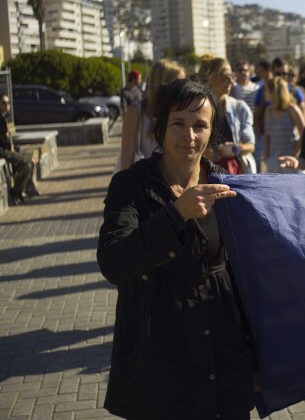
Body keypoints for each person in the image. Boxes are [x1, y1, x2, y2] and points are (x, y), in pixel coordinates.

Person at [98, 79, 255, 419]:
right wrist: (175, 214)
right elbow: (114, 261)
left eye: (200, 126)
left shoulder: (224, 185)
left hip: (223, 362)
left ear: (211, 132)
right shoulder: (131, 185)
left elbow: (248, 271)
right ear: (160, 128)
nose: (190, 135)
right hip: (160, 366)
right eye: (179, 124)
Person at [117, 59, 185, 172]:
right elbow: (126, 159)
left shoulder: (182, 111)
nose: (184, 90)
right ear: (163, 83)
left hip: (175, 182)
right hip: (144, 184)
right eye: (179, 84)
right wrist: (128, 188)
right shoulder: (136, 111)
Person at [198, 57, 256, 174]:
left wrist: (235, 148)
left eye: (232, 76)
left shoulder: (240, 108)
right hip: (206, 175)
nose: (231, 81)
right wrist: (218, 151)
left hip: (236, 173)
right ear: (211, 78)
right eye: (225, 77)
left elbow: (250, 145)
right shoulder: (198, 109)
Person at [0, 93, 39, 202]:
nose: (7, 105)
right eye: (4, 103)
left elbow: (2, 137)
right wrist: (10, 146)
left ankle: (24, 186)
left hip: (3, 148)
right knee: (26, 164)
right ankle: (16, 190)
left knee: (31, 158)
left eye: (8, 103)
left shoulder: (0, 117)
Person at [263, 77, 305, 173]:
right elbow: (266, 136)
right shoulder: (268, 110)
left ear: (273, 92)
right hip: (273, 162)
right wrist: (267, 158)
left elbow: (304, 133)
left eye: (266, 90)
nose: (264, 92)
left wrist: (294, 156)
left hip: (291, 163)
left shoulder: (292, 109)